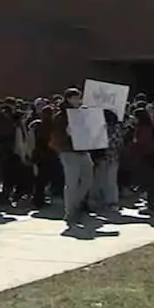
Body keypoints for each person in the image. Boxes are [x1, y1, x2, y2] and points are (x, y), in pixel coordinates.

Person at [51, 87, 95, 225]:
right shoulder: (61, 116)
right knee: (71, 183)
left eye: (79, 98)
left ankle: (75, 205)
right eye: (76, 98)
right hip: (68, 151)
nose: (78, 100)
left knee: (87, 180)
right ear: (69, 99)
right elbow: (56, 135)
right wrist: (66, 133)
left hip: (83, 150)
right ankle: (70, 212)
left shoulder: (81, 113)